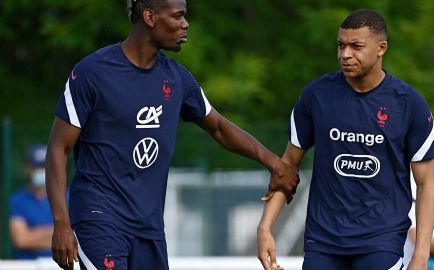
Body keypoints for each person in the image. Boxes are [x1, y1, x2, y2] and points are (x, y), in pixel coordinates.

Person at [45, 0, 299, 269]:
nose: (185, 24)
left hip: (149, 228)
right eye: (177, 16)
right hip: (99, 219)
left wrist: (275, 165)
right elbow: (58, 149)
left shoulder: (177, 79)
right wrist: (62, 223)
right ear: (150, 17)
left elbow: (219, 128)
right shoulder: (92, 72)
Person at [257, 9, 434, 270]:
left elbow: (426, 183)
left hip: (381, 240)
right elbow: (287, 166)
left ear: (381, 48)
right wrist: (265, 228)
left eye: (356, 46)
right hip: (323, 240)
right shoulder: (316, 95)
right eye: (341, 45)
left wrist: (420, 256)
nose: (345, 54)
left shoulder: (409, 104)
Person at [9, 144, 53, 259]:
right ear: (28, 169)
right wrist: (57, 233)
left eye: (45, 167)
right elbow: (21, 240)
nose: (42, 171)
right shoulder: (16, 200)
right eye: (37, 167)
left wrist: (34, 235)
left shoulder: (65, 197)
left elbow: (75, 238)